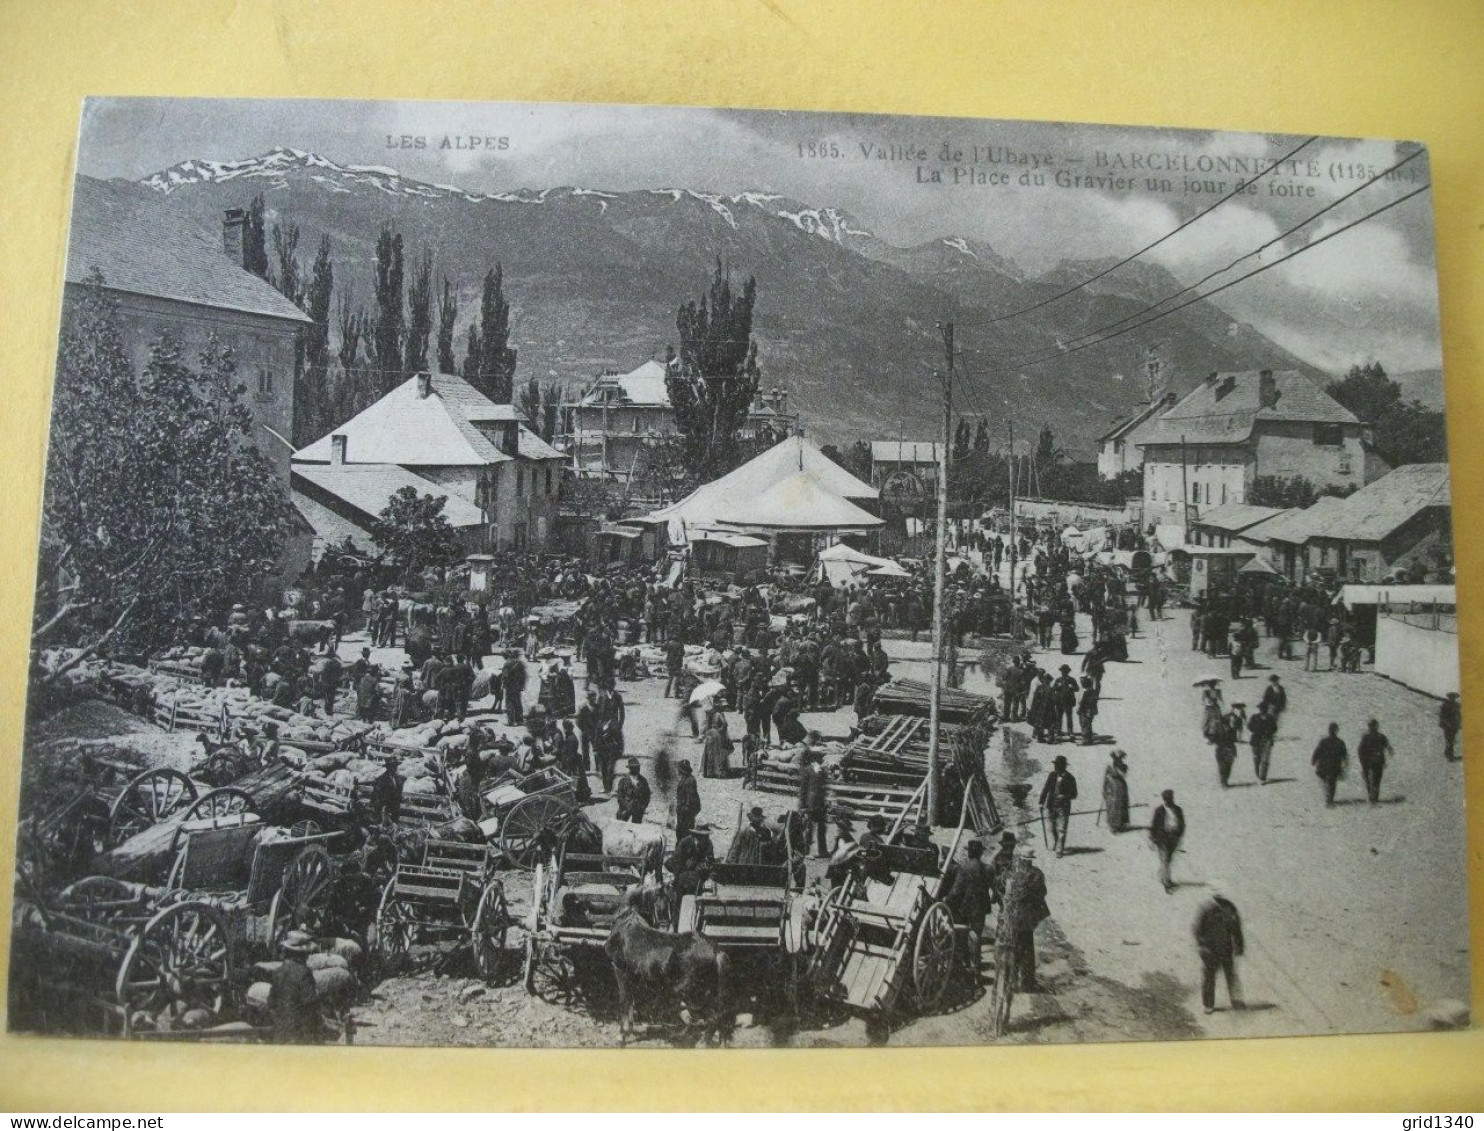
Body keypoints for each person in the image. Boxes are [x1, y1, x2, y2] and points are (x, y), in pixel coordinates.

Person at [944, 839, 992, 985]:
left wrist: (946, 900)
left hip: (965, 909)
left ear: (969, 852)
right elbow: (992, 887)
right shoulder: (988, 868)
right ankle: (977, 973)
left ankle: (963, 970)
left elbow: (956, 890)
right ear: (981, 853)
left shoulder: (963, 868)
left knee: (963, 937)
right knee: (976, 936)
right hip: (981, 908)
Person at [1193, 889, 1245, 1015]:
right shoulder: (1206, 908)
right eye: (1217, 895)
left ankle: (1236, 1000)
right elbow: (1197, 929)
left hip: (1227, 948)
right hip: (1210, 949)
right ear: (1213, 895)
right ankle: (1208, 1004)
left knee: (1231, 974)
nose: (1220, 898)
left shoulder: (1230, 907)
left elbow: (1237, 928)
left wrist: (1239, 945)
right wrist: (1202, 946)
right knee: (1209, 977)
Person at [268, 930, 323, 1043]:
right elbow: (310, 1006)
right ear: (302, 954)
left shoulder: (277, 972)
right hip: (299, 1036)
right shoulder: (304, 973)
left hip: (280, 1034)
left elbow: (271, 1003)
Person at [1038, 754, 1077, 857]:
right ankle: (1056, 842)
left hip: (1063, 808)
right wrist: (1041, 802)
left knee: (1062, 829)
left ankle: (1059, 849)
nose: (1055, 767)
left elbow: (1074, 794)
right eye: (1055, 765)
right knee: (1051, 828)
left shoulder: (1070, 778)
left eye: (1058, 765)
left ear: (1063, 766)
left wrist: (1065, 796)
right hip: (1051, 805)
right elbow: (1045, 789)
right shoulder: (1052, 775)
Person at [1149, 789, 1185, 893]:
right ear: (1164, 799)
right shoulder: (1159, 810)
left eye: (1170, 798)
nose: (1169, 801)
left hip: (1173, 838)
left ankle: (1162, 876)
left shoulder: (1178, 809)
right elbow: (1154, 826)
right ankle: (1167, 883)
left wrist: (1179, 836)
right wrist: (1152, 838)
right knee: (1165, 860)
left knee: (1168, 859)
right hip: (1162, 838)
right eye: (1167, 799)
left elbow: (1182, 824)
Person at [797, 747, 830, 857]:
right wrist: (802, 804)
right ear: (816, 758)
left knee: (822, 827)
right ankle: (805, 851)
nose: (822, 759)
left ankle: (823, 851)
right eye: (820, 757)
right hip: (810, 803)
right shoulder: (808, 770)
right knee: (809, 827)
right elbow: (803, 789)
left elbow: (824, 788)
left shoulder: (822, 770)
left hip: (820, 804)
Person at [1311, 722, 1348, 807]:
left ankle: (1328, 797)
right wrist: (1345, 763)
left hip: (1324, 766)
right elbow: (1344, 755)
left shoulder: (1324, 741)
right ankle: (1330, 797)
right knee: (1332, 783)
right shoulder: (1340, 742)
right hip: (1334, 766)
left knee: (1326, 782)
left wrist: (1313, 760)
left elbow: (1317, 752)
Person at [1357, 718, 1391, 804]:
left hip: (1370, 762)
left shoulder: (1368, 737)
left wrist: (1362, 760)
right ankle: (1374, 796)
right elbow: (1388, 747)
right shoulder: (1380, 737)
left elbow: (1360, 750)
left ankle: (1372, 796)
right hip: (1376, 761)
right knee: (1375, 780)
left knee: (1371, 780)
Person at [367, 756, 402, 826]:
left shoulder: (397, 778)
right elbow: (376, 795)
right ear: (388, 768)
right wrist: (382, 809)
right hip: (385, 810)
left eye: (396, 766)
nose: (395, 768)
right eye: (393, 766)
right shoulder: (381, 779)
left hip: (395, 809)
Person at [1247, 701, 1277, 784]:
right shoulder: (1254, 717)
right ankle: (1258, 774)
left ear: (1267, 709)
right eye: (1262, 709)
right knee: (1257, 759)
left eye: (1265, 709)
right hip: (1256, 740)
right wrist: (1257, 729)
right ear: (1259, 709)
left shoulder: (1270, 718)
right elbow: (1249, 726)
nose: (1263, 710)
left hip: (1267, 740)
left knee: (1265, 760)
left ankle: (1262, 778)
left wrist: (1268, 731)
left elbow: (1275, 728)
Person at [614, 758, 650, 823]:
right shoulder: (623, 780)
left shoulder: (643, 781)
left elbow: (647, 795)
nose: (637, 769)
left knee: (636, 828)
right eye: (634, 767)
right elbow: (620, 796)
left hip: (638, 809)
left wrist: (643, 807)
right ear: (630, 768)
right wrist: (626, 806)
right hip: (625, 809)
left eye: (638, 767)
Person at [1102, 749, 1130, 832]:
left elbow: (1123, 775)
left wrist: (1117, 768)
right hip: (1111, 788)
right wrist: (1103, 789)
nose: (1117, 760)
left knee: (1120, 805)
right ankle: (1112, 825)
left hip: (1120, 787)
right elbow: (1105, 777)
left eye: (1119, 758)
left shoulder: (1124, 766)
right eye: (1116, 758)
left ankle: (1120, 824)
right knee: (1111, 805)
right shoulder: (1109, 766)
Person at [674, 759, 701, 840]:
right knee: (681, 833)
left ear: (682, 770)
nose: (677, 770)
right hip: (683, 812)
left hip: (686, 814)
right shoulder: (685, 779)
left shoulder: (689, 781)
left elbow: (690, 798)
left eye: (679, 769)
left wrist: (685, 810)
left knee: (684, 834)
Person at [701, 715, 730, 779]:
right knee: (714, 753)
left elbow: (724, 724)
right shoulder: (716, 714)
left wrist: (717, 731)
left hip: (714, 736)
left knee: (714, 754)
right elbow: (724, 724)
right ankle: (714, 772)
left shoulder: (717, 714)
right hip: (713, 736)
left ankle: (713, 772)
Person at [1440, 692, 1461, 761]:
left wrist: (1459, 724)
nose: (1453, 699)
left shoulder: (1457, 705)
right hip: (1448, 726)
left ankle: (1447, 753)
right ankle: (1450, 756)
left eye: (1454, 697)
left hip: (1454, 726)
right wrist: (1445, 723)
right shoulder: (1445, 705)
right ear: (1449, 698)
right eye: (1452, 697)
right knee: (1449, 740)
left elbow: (1459, 715)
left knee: (1452, 740)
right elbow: (1442, 716)